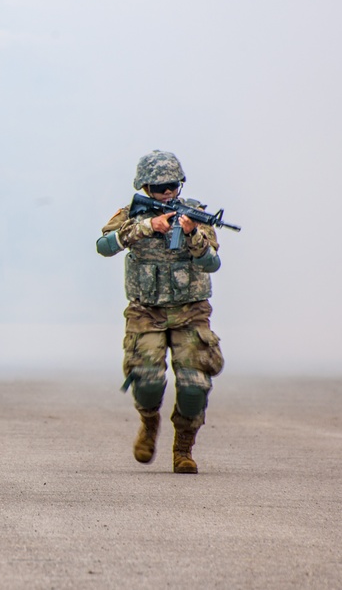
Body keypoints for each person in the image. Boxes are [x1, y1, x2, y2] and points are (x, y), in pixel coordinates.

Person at [96, 150, 224, 474]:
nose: (167, 193)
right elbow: (105, 246)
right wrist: (146, 227)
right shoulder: (132, 214)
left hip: (190, 312)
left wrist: (193, 233)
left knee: (195, 386)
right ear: (145, 188)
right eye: (159, 187)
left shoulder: (195, 215)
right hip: (145, 312)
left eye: (171, 186)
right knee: (148, 381)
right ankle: (149, 422)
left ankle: (183, 449)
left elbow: (212, 263)